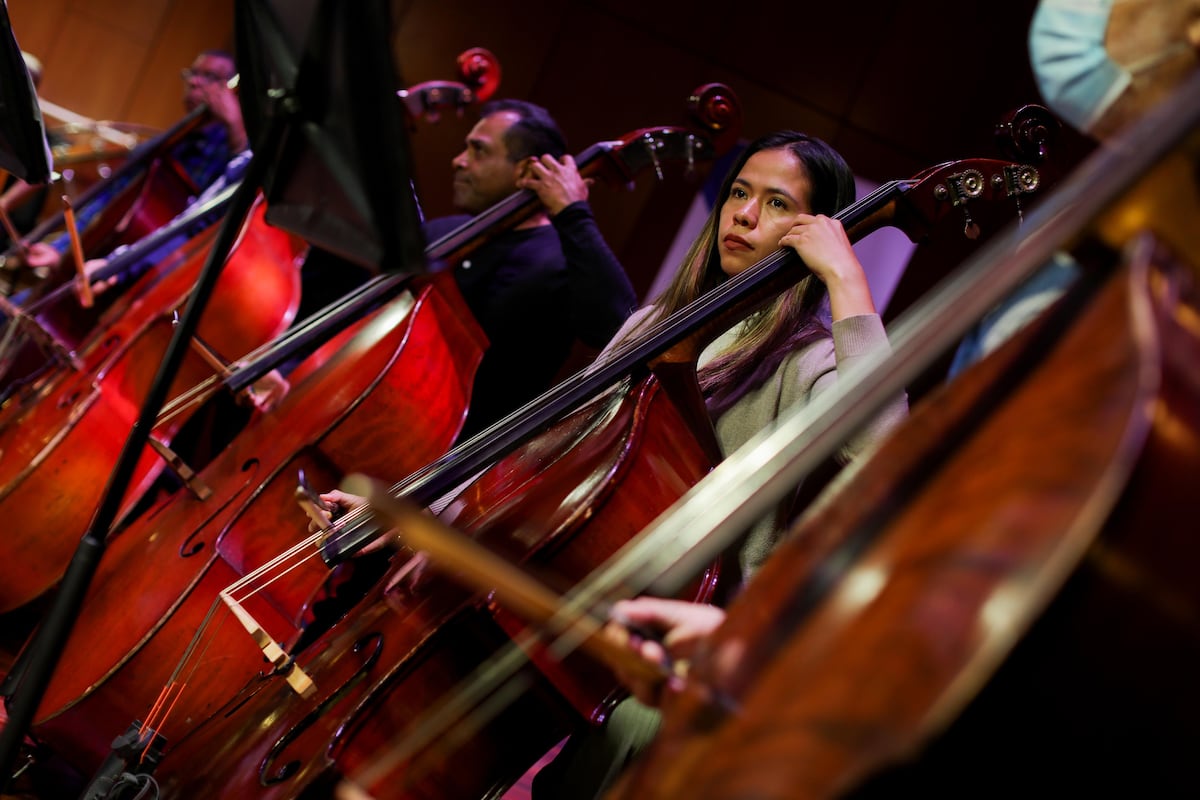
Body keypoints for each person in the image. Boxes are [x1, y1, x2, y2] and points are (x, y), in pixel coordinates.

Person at [521, 129, 908, 799]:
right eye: (738, 194)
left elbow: (881, 449)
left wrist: (847, 279)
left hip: (676, 647)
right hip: (570, 600)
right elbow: (545, 447)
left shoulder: (812, 360)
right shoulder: (651, 326)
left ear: (817, 229)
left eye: (777, 203)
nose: (745, 215)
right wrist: (433, 511)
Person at [422, 98, 637, 437]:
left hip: (458, 460)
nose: (458, 161)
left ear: (525, 171)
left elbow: (616, 325)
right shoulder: (442, 233)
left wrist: (573, 214)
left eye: (478, 151)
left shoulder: (562, 258)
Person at [4, 49, 247, 281]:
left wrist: (237, 130)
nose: (195, 82)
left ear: (233, 91)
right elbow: (109, 199)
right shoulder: (172, 143)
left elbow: (209, 224)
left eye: (210, 77)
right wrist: (60, 249)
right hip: (93, 269)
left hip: (141, 276)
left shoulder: (233, 157)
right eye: (193, 73)